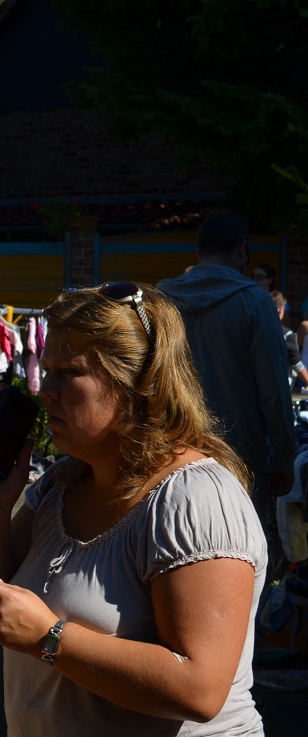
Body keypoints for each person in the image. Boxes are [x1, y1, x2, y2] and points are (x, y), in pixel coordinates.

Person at [0, 283, 275, 737]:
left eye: (67, 373)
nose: (43, 391)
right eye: (43, 370)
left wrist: (51, 638)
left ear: (137, 385)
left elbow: (199, 686)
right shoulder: (59, 489)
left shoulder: (195, 500)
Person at [157, 210, 295, 575]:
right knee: (237, 556)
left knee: (172, 550)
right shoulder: (255, 302)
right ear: (243, 251)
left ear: (198, 251)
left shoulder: (160, 301)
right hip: (241, 456)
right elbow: (273, 392)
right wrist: (284, 455)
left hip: (172, 450)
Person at [270, 290, 308, 392]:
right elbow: (296, 362)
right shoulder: (286, 335)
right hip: (281, 386)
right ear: (280, 309)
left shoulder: (257, 331)